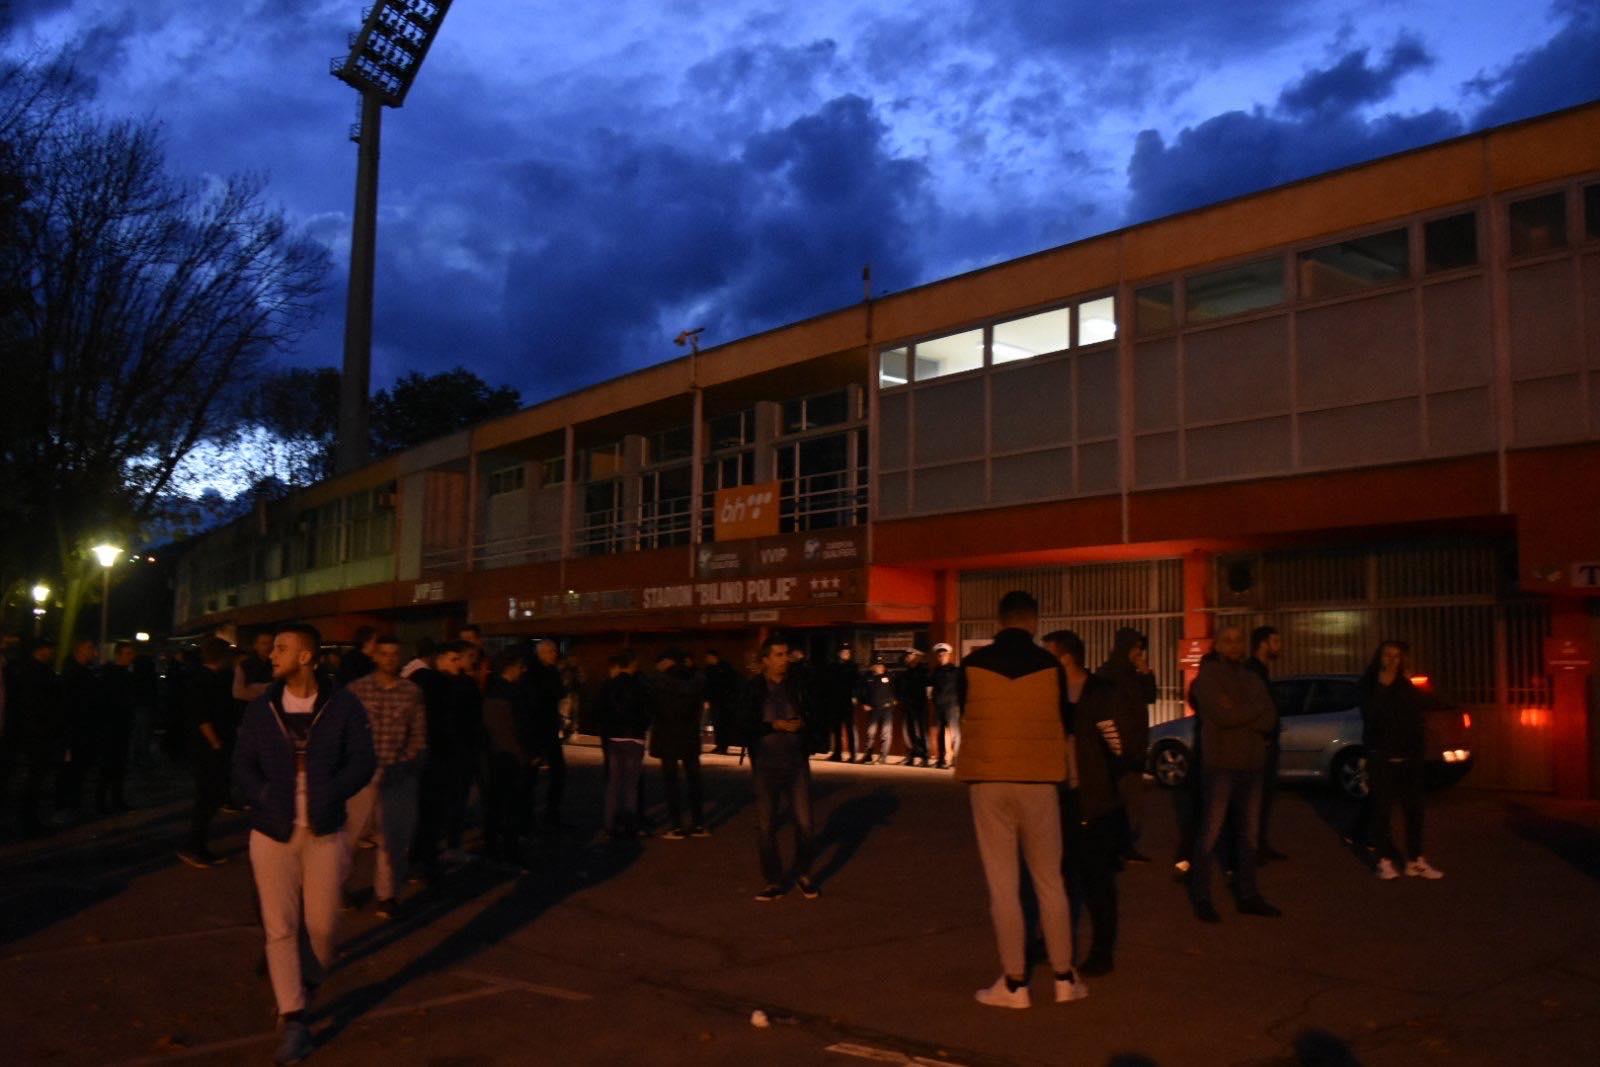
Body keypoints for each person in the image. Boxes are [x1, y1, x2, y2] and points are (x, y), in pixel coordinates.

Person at [233, 622, 375, 1065]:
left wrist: (332, 791)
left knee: (324, 928)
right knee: (280, 927)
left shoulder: (344, 705)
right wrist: (261, 796)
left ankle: (303, 988)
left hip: (324, 829)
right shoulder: (262, 708)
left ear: (307, 656)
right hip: (272, 832)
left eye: (282, 648)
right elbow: (241, 763)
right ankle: (295, 1020)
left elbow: (363, 760)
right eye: (273, 648)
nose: (272, 655)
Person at [958, 592, 1086, 1009]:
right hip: (1040, 781)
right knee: (1050, 881)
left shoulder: (972, 665)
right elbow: (1065, 723)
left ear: (999, 620)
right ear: (1034, 621)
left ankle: (1015, 985)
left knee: (1003, 885)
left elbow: (965, 711)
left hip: (989, 779)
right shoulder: (1050, 666)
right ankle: (1065, 979)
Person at [1187, 625, 1282, 922]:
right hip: (1221, 767)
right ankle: (1202, 897)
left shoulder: (1252, 677)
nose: (1233, 645)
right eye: (1227, 640)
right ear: (1217, 645)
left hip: (1252, 766)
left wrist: (1239, 710)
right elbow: (1223, 715)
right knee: (1210, 834)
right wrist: (1250, 710)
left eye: (1238, 639)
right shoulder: (1208, 678)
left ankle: (1248, 894)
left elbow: (1270, 719)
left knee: (1249, 836)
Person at [1043, 630, 1122, 977]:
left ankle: (1102, 950)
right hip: (1059, 796)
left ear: (1066, 658)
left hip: (1091, 799)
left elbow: (1116, 745)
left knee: (1096, 879)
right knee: (1058, 877)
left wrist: (1102, 783)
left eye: (1050, 656)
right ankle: (1054, 943)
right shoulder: (1052, 693)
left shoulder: (1098, 692)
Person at [734, 634, 825, 901]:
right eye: (779, 655)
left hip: (796, 762)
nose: (785, 660)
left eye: (787, 654)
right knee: (766, 825)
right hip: (765, 764)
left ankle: (803, 874)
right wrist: (772, 726)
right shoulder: (753, 689)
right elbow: (742, 726)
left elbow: (816, 710)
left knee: (806, 823)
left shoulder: (798, 686)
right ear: (765, 660)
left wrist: (803, 725)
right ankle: (773, 880)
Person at [344, 635, 427, 912]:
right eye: (385, 653)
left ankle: (386, 895)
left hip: (398, 773)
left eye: (395, 654)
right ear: (375, 656)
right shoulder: (357, 690)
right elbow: (345, 731)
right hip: (362, 776)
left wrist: (409, 761)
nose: (390, 659)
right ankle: (338, 887)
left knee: (394, 839)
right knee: (349, 837)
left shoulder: (411, 692)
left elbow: (418, 732)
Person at [1361, 641, 1444, 881]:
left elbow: (1419, 714)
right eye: (1388, 655)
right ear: (1379, 657)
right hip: (1382, 757)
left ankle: (1415, 860)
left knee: (1415, 811)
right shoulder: (1369, 684)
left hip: (1409, 758)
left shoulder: (1405, 684)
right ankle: (1383, 860)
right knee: (1382, 812)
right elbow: (1371, 716)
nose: (1393, 660)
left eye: (1397, 656)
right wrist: (1383, 687)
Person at [1096, 628, 1156, 864]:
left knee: (1132, 803)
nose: (1139, 653)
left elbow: (1150, 697)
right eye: (1136, 648)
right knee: (1118, 802)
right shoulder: (1108, 674)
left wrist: (1146, 672)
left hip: (1135, 746)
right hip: (1119, 749)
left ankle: (1124, 846)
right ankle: (1115, 849)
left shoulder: (1133, 674)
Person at [179, 637, 238, 868]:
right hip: (209, 748)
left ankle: (196, 844)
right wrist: (215, 742)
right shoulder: (202, 680)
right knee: (208, 796)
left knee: (211, 795)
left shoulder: (213, 678)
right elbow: (201, 716)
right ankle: (194, 845)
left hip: (213, 745)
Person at [647, 647, 710, 838]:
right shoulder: (696, 679)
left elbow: (652, 709)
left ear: (666, 661)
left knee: (671, 782)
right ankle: (699, 824)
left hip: (667, 736)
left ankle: (676, 826)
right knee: (694, 781)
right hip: (689, 735)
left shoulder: (659, 681)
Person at [480, 647, 531, 868]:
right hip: (511, 757)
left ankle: (492, 848)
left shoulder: (489, 691)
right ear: (512, 668)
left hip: (492, 756)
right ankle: (510, 851)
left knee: (494, 805)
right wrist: (526, 755)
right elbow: (518, 729)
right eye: (521, 667)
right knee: (511, 806)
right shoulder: (515, 693)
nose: (523, 671)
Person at [9, 638, 63, 837]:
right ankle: (29, 819)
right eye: (50, 650)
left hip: (34, 731)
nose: (52, 653)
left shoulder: (25, 672)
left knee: (35, 776)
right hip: (38, 732)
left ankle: (29, 818)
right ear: (42, 650)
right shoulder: (38, 674)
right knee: (36, 776)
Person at [1245, 625, 1289, 863]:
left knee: (1263, 800)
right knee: (1255, 800)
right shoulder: (1252, 671)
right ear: (1263, 643)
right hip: (1259, 746)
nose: (1279, 646)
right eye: (1276, 641)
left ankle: (1260, 844)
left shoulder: (1261, 670)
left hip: (1267, 745)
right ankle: (1252, 848)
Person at [597, 649, 651, 838]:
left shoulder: (609, 685)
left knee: (613, 783)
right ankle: (630, 824)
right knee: (631, 784)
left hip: (613, 737)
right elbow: (647, 712)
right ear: (633, 664)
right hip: (634, 737)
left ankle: (609, 824)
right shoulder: (639, 686)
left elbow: (601, 709)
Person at [523, 639, 568, 829]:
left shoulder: (536, 672)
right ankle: (546, 813)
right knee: (553, 772)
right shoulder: (545, 673)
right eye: (552, 651)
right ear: (542, 653)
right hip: (542, 728)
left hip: (541, 728)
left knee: (536, 775)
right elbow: (556, 693)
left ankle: (534, 813)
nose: (555, 655)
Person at [56, 638, 102, 820]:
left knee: (77, 770)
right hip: (76, 731)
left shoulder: (80, 673)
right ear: (80, 650)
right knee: (71, 770)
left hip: (81, 730)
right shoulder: (74, 674)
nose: (94, 653)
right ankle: (65, 805)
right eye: (90, 648)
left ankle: (71, 805)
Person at [97, 641, 137, 812]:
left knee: (118, 766)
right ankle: (102, 801)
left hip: (121, 726)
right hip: (111, 727)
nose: (131, 657)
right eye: (128, 653)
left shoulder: (125, 675)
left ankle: (115, 799)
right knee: (108, 766)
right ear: (119, 655)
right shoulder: (112, 675)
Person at [819, 644, 858, 763]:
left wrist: (855, 695)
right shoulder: (833, 666)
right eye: (843, 652)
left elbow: (857, 683)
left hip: (847, 700)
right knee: (836, 728)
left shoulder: (853, 667)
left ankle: (852, 755)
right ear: (839, 654)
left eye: (847, 652)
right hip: (836, 700)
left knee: (849, 728)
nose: (845, 654)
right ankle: (837, 753)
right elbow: (829, 683)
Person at [855, 657, 897, 765]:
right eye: (876, 665)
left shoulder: (890, 677)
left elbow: (896, 691)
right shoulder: (868, 678)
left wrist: (893, 702)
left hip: (886, 709)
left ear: (884, 667)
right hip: (873, 709)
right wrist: (864, 703)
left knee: (885, 734)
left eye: (880, 665)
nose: (878, 667)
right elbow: (861, 691)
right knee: (870, 733)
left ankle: (883, 758)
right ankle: (867, 756)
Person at [896, 648, 932, 767]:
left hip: (919, 705)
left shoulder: (923, 670)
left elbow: (927, 689)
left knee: (921, 732)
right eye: (907, 656)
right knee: (909, 732)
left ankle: (925, 757)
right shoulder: (907, 671)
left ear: (917, 656)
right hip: (907, 705)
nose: (907, 658)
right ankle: (911, 756)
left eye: (909, 656)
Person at [703, 649, 743, 755]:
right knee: (718, 724)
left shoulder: (723, 669)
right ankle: (720, 745)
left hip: (724, 702)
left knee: (723, 724)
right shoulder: (712, 669)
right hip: (718, 701)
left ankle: (723, 746)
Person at [930, 642, 961, 769]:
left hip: (952, 706)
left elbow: (961, 687)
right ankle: (941, 759)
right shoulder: (935, 671)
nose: (941, 657)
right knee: (940, 733)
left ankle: (956, 759)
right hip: (939, 706)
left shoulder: (955, 670)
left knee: (954, 733)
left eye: (944, 654)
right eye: (939, 655)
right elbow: (931, 688)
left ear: (949, 656)